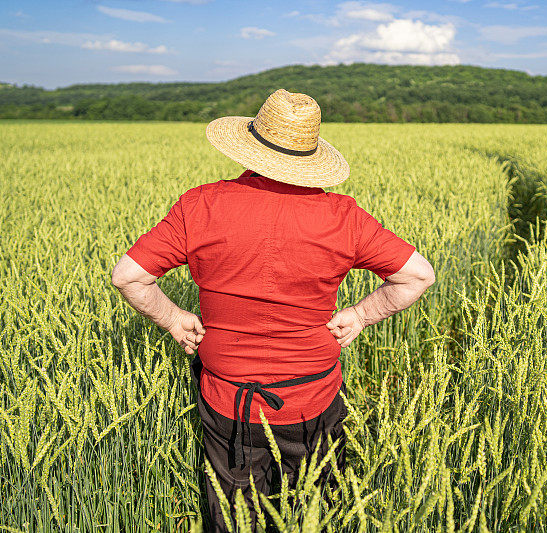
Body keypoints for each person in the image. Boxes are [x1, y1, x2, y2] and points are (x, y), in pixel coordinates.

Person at [110, 89, 435, 531]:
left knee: (235, 517)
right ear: (311, 157)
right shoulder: (344, 216)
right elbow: (418, 275)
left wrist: (173, 319)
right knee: (314, 511)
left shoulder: (200, 204)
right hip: (312, 398)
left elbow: (129, 276)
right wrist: (361, 315)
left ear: (250, 143)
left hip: (230, 403)